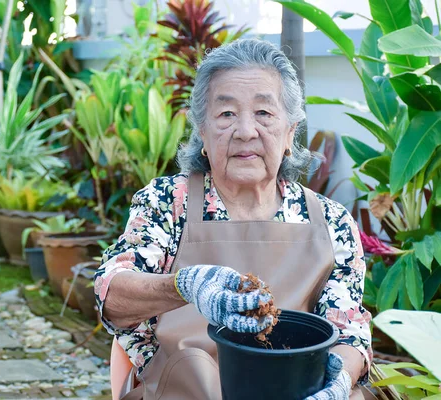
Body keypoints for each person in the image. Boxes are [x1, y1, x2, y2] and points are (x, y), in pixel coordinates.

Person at [94, 38, 373, 400]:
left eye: (264, 113)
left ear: (290, 132)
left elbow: (348, 332)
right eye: (226, 114)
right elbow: (110, 295)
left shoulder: (331, 221)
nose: (245, 131)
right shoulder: (167, 203)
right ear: (203, 133)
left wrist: (337, 382)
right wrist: (185, 286)